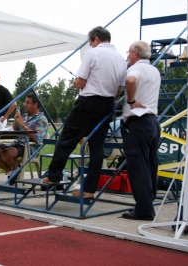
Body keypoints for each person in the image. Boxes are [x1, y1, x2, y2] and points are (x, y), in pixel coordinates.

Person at [42, 26, 127, 199]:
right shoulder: (120, 58)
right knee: (96, 147)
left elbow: (80, 83)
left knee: (66, 139)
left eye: (90, 42)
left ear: (95, 39)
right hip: (108, 104)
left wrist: (77, 81)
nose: (90, 45)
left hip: (88, 102)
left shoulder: (93, 53)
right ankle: (89, 189)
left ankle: (53, 176)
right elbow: (119, 90)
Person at [120, 41, 161, 221]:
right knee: (150, 165)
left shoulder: (135, 69)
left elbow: (130, 81)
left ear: (135, 54)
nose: (127, 56)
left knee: (138, 167)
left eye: (128, 52)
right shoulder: (154, 70)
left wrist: (131, 101)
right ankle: (146, 202)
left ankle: (143, 209)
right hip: (152, 121)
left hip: (138, 121)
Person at [0, 93, 48, 185]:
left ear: (35, 105)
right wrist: (16, 122)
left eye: (27, 103)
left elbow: (38, 138)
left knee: (6, 153)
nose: (24, 105)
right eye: (25, 102)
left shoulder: (41, 119)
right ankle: (12, 171)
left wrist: (23, 125)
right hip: (16, 144)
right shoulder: (24, 116)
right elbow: (14, 131)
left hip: (29, 147)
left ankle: (15, 171)